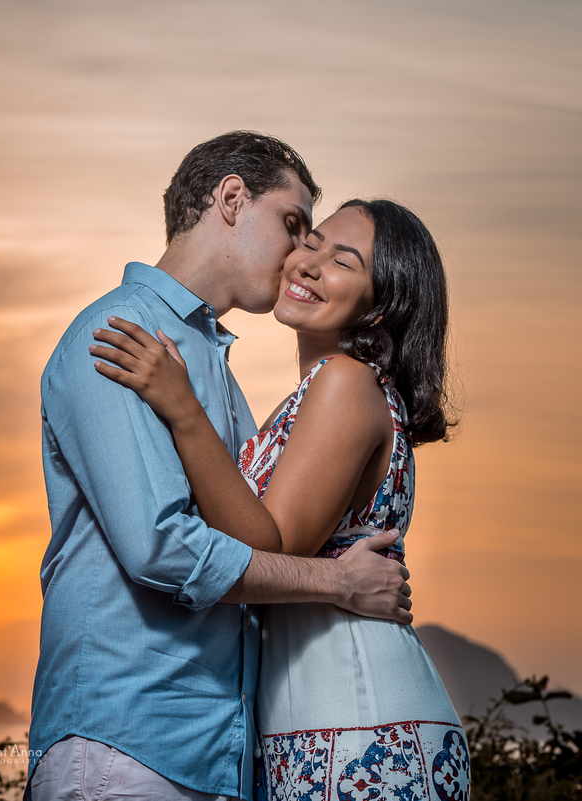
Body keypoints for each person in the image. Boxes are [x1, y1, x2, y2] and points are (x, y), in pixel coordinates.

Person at [27, 131, 413, 801]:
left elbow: (253, 535)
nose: (299, 253)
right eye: (293, 225)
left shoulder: (221, 380)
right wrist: (335, 582)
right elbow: (160, 547)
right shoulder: (121, 333)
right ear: (231, 197)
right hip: (129, 742)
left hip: (218, 755)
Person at [91, 199, 469, 800]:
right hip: (312, 717)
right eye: (310, 242)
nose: (309, 264)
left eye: (342, 261)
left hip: (361, 718)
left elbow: (272, 544)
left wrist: (183, 408)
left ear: (384, 303)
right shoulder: (312, 396)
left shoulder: (347, 383)